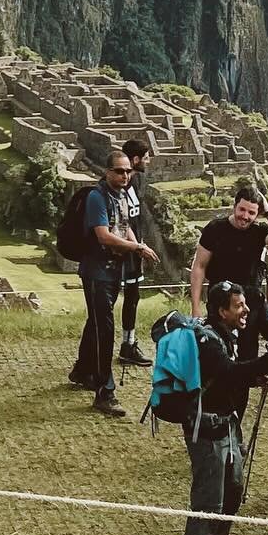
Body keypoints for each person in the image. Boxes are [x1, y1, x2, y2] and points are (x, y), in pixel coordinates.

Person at [179, 281, 268, 535]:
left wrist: (256, 375)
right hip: (206, 430)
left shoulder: (225, 335)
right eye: (239, 306)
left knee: (234, 486)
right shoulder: (207, 341)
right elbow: (229, 372)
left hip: (227, 424)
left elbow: (228, 375)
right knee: (206, 502)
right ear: (221, 311)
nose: (246, 311)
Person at [68, 151, 159, 417]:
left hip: (112, 272)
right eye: (119, 171)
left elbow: (124, 225)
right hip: (97, 273)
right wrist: (137, 246)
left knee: (96, 324)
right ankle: (104, 392)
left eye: (128, 171)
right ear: (107, 171)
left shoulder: (119, 195)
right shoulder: (97, 198)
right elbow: (104, 236)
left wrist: (138, 247)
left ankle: (82, 371)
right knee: (105, 330)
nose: (125, 176)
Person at [190, 182, 268, 387]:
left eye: (252, 212)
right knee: (219, 349)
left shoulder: (259, 232)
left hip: (248, 302)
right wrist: (195, 306)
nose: (245, 216)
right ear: (234, 206)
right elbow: (199, 267)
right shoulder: (215, 228)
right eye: (242, 210)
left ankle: (245, 386)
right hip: (221, 300)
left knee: (254, 349)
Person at [118, 140, 153, 367]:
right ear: (136, 159)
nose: (149, 161)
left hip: (134, 250)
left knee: (132, 298)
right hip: (120, 251)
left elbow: (135, 217)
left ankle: (128, 344)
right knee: (108, 302)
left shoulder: (136, 181)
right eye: (146, 157)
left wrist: (140, 243)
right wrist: (138, 245)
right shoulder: (118, 183)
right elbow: (122, 220)